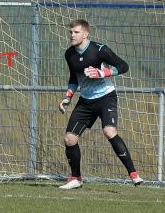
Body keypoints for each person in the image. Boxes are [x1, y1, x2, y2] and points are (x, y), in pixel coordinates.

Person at [58, 19, 143, 189]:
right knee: (69, 138)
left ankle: (134, 174)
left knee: (109, 131)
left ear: (85, 34)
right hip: (86, 100)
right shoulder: (70, 54)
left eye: (76, 32)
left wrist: (102, 72)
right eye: (71, 32)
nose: (72, 35)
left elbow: (123, 66)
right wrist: (68, 97)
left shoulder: (99, 49)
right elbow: (74, 78)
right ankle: (76, 178)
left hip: (106, 97)